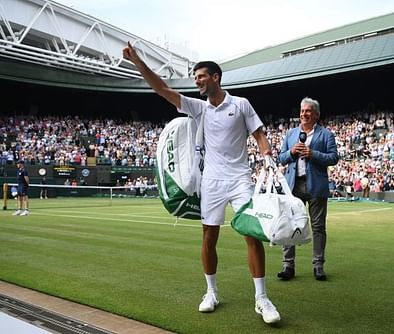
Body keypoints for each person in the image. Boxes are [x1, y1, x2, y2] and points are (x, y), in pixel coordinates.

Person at [123, 42, 280, 324]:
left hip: (240, 178)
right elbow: (163, 90)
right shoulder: (198, 108)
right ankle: (211, 292)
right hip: (211, 182)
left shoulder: (241, 104)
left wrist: (267, 155)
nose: (197, 82)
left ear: (215, 78)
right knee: (209, 237)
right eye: (194, 78)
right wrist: (137, 61)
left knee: (251, 234)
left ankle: (262, 298)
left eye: (201, 77)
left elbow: (259, 135)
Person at [277, 97, 339, 281]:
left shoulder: (326, 135)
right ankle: (288, 266)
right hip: (293, 185)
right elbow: (281, 158)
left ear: (317, 115)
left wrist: (313, 154)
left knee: (318, 227)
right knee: (289, 224)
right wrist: (291, 153)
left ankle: (318, 266)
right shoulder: (290, 134)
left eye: (308, 111)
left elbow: (333, 158)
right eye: (302, 111)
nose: (304, 114)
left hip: (316, 186)